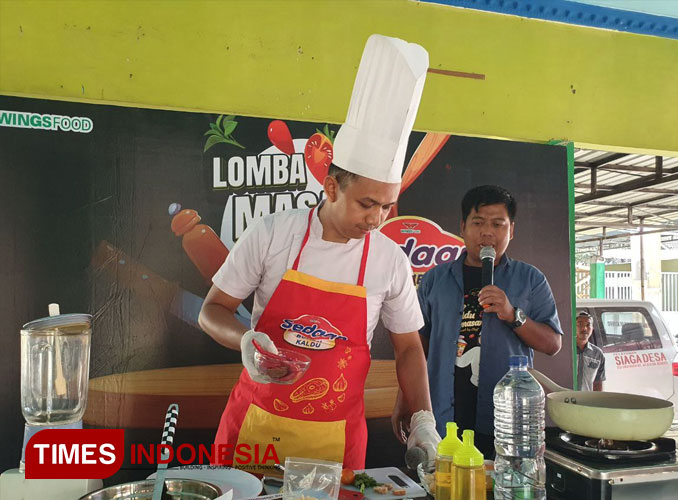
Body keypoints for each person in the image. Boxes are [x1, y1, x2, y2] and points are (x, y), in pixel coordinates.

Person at [198, 34, 440, 473]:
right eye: (367, 204)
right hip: (256, 429)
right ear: (331, 187)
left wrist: (423, 417)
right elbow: (212, 310)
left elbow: (408, 348)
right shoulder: (273, 233)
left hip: (336, 440)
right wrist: (245, 340)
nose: (376, 219)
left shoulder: (388, 259)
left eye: (386, 206)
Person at [393, 185, 563, 459]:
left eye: (498, 224)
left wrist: (513, 314)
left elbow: (553, 343)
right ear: (462, 227)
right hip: (443, 419)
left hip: (505, 423)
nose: (487, 232)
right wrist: (405, 401)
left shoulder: (530, 279)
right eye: (478, 223)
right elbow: (416, 346)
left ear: (511, 230)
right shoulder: (435, 279)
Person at [575, 311, 605, 391]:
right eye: (580, 324)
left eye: (588, 325)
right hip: (567, 399)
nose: (584, 328)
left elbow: (598, 383)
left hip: (586, 400)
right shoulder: (566, 350)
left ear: (592, 329)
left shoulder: (598, 354)